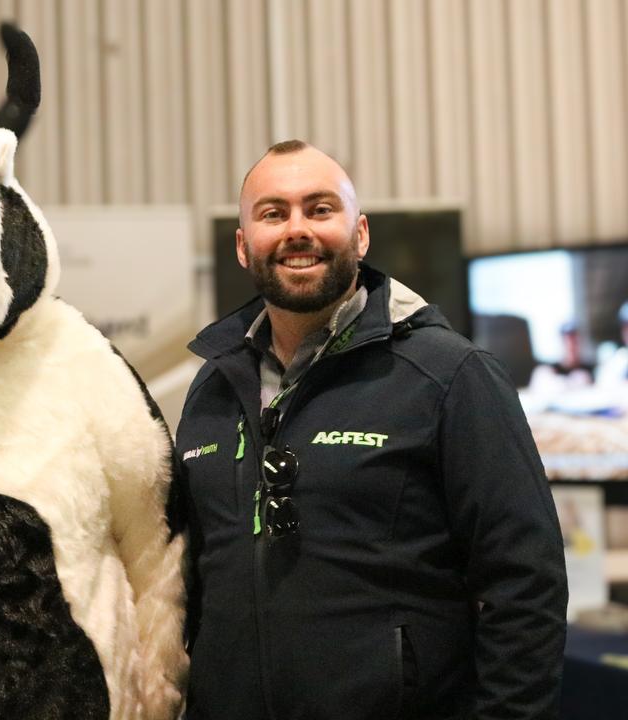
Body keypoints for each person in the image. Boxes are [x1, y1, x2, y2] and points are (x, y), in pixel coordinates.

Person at [174, 140, 567, 719]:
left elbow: (525, 587)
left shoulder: (449, 376)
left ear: (360, 234)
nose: (297, 229)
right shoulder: (211, 389)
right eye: (273, 213)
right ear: (243, 245)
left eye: (320, 209)